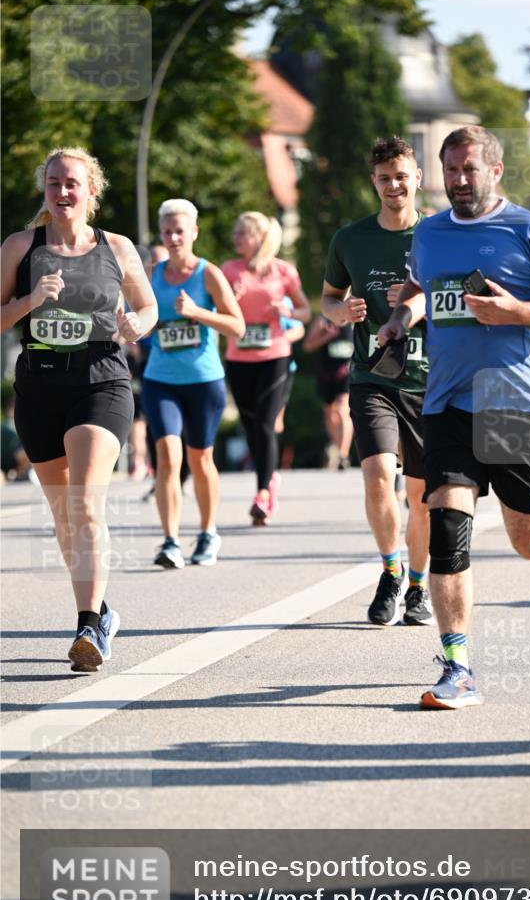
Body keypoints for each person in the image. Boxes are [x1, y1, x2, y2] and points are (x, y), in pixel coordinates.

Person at [379, 125, 530, 709]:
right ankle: (458, 667)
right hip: (446, 399)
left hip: (513, 401)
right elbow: (419, 287)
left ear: (495, 171)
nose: (457, 179)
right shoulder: (429, 233)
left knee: (527, 536)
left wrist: (518, 311)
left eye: (468, 169)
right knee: (448, 526)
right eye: (450, 169)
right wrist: (400, 320)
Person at [0, 146, 157, 671]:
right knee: (65, 515)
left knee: (86, 502)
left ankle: (88, 625)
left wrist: (140, 323)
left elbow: (147, 304)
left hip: (101, 380)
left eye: (72, 183)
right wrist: (29, 302)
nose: (63, 192)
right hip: (39, 386)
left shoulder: (117, 246)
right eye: (54, 183)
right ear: (44, 189)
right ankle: (103, 609)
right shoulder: (21, 246)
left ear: (92, 190)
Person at [321, 136, 433, 627]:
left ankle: (418, 586)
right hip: (373, 376)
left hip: (431, 380)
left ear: (418, 178)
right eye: (385, 178)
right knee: (376, 475)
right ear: (374, 182)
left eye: (402, 176)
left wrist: (417, 302)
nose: (394, 185)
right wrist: (341, 311)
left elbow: (465, 301)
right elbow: (326, 298)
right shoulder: (350, 238)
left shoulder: (438, 236)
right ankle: (391, 568)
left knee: (422, 496)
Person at [142, 199, 245, 568]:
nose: (172, 238)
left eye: (179, 231)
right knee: (168, 456)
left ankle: (207, 532)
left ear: (194, 233)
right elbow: (140, 320)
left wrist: (198, 313)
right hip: (160, 380)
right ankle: (170, 540)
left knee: (200, 459)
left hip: (204, 380)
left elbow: (238, 325)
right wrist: (132, 326)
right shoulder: (152, 274)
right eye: (167, 231)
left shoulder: (208, 274)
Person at [222, 212, 309, 525]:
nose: (236, 238)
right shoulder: (228, 270)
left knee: (265, 424)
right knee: (251, 429)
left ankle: (261, 493)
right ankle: (269, 478)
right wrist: (228, 301)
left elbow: (305, 311)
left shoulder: (282, 271)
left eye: (242, 233)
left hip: (275, 356)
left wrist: (287, 309)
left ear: (259, 238)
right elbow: (213, 312)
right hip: (238, 358)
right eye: (236, 232)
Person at [302, 313, 354, 470]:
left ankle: (343, 455)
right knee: (330, 413)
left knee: (343, 409)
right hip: (327, 373)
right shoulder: (322, 319)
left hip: (348, 372)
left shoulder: (354, 318)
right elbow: (307, 346)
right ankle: (336, 447)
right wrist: (325, 336)